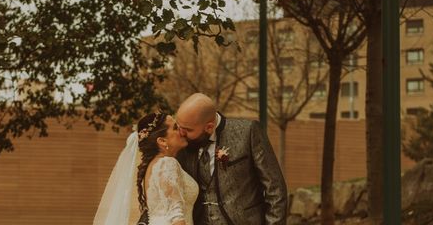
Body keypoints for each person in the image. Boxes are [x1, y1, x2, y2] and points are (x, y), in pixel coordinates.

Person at [175, 93, 288, 225]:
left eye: (188, 129)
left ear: (209, 127)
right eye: (179, 126)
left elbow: (275, 189)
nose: (181, 133)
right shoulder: (182, 143)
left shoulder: (248, 132)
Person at [94, 111, 198, 225]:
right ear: (162, 141)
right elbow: (176, 216)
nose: (181, 131)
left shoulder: (153, 166)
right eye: (175, 128)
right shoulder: (167, 164)